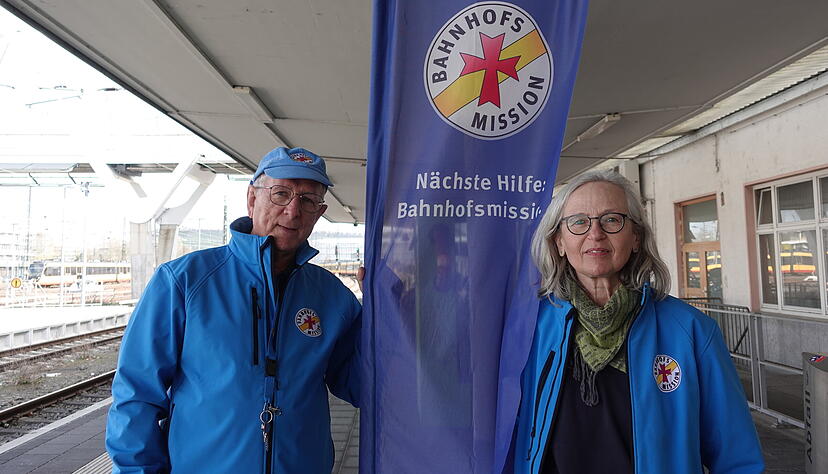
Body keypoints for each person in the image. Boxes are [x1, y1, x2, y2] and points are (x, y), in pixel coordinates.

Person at [106, 147, 362, 473]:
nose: (293, 211)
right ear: (252, 199)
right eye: (281, 194)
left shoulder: (332, 296)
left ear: (319, 211)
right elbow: (137, 394)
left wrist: (392, 322)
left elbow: (361, 387)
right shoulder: (184, 282)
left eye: (308, 201)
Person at [510, 170, 763, 473]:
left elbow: (737, 459)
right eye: (578, 222)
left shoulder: (691, 332)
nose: (595, 234)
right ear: (559, 242)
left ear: (636, 239)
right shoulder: (527, 330)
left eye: (612, 220)